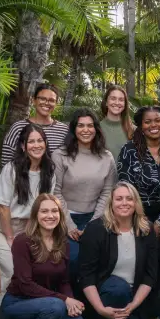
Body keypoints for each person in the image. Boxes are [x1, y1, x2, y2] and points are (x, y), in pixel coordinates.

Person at [3, 193, 87, 319]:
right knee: (55, 305)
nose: (50, 215)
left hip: (48, 303)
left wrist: (70, 301)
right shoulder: (23, 241)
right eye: (44, 211)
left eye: (54, 211)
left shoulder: (62, 242)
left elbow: (63, 281)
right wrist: (64, 300)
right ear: (36, 215)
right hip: (17, 303)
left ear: (60, 215)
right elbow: (25, 284)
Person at [77, 182, 159, 319]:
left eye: (129, 199)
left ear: (136, 203)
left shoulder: (147, 229)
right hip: (103, 294)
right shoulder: (96, 229)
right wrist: (100, 309)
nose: (124, 203)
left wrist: (134, 304)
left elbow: (150, 275)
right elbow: (86, 275)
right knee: (118, 287)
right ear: (111, 203)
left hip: (132, 296)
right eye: (119, 199)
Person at [0, 123, 61, 315]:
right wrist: (11, 238)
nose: (36, 145)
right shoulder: (11, 169)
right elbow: (2, 207)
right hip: (2, 226)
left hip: (29, 227)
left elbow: (43, 205)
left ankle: (27, 312)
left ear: (46, 143)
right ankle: (8, 318)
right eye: (31, 141)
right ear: (23, 146)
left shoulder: (49, 171)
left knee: (32, 271)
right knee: (11, 269)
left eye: (40, 141)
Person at [54, 109, 116, 282]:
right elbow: (55, 191)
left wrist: (93, 224)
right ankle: (70, 302)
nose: (85, 130)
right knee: (73, 261)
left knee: (99, 261)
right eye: (80, 125)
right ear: (73, 129)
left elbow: (107, 191)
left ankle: (93, 304)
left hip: (95, 218)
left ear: (96, 129)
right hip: (65, 218)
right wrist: (70, 225)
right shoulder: (60, 155)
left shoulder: (106, 157)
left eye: (90, 125)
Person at [116, 105, 160, 234]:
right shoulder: (129, 150)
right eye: (147, 122)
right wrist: (141, 220)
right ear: (141, 126)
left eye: (158, 120)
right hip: (136, 217)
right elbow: (126, 189)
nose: (153, 125)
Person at [0, 83, 70, 163]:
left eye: (51, 100)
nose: (47, 103)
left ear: (56, 104)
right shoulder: (18, 127)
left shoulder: (64, 130)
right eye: (42, 99)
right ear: (33, 100)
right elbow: (6, 160)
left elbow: (68, 160)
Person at [99, 84, 135, 158]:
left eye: (121, 100)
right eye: (113, 98)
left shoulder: (134, 130)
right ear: (106, 102)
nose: (117, 102)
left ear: (125, 104)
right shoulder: (96, 129)